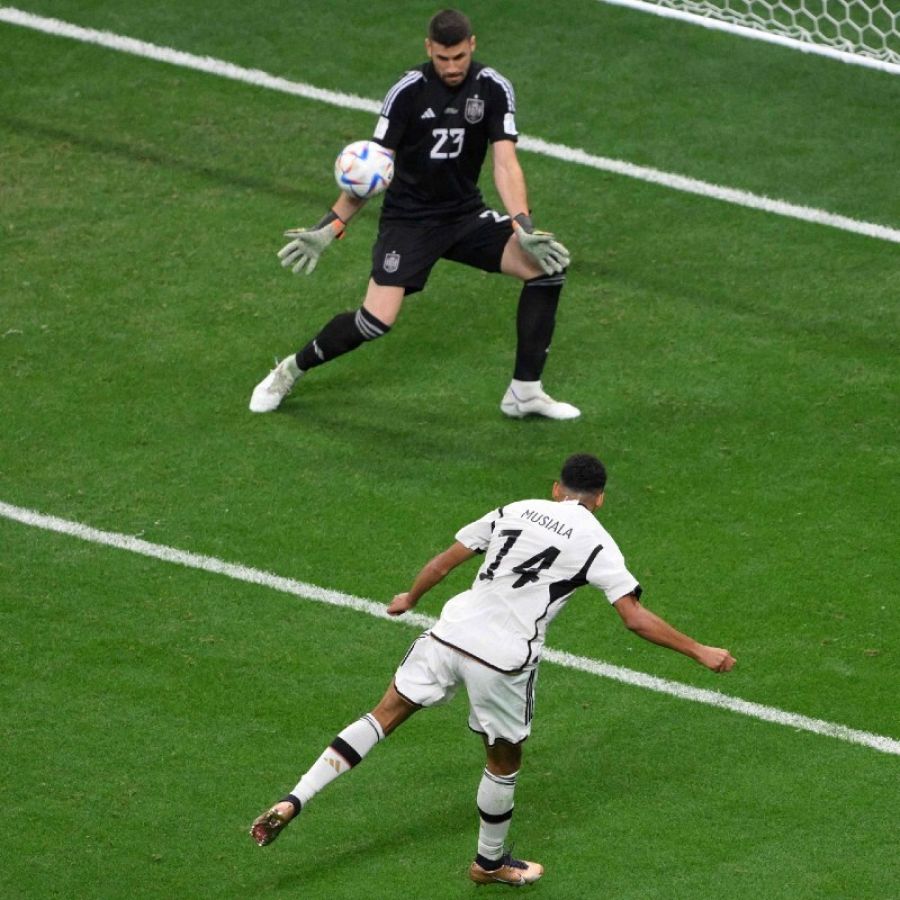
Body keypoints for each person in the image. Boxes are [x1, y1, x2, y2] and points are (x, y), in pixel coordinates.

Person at [249, 453, 736, 887]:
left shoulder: (516, 509)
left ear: (556, 488)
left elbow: (445, 562)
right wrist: (699, 650)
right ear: (600, 500)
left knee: (382, 715)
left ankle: (295, 797)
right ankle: (489, 862)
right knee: (503, 761)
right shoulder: (598, 541)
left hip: (449, 633)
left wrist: (410, 598)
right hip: (502, 660)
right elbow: (633, 617)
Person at [249, 9, 579, 420]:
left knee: (546, 270)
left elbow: (505, 164)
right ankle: (289, 370)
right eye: (443, 59)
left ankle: (525, 393)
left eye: (459, 57)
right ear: (429, 50)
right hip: (409, 221)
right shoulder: (407, 92)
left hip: (464, 214)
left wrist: (522, 225)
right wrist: (330, 226)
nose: (452, 67)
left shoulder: (494, 88)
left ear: (472, 45)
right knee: (375, 321)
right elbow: (371, 172)